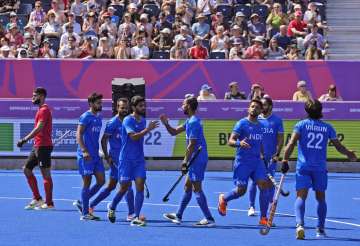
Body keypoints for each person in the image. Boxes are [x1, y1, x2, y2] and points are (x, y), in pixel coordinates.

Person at [281, 99, 357, 239]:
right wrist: (349, 154)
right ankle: (320, 229)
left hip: (303, 167)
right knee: (320, 198)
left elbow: (291, 144)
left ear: (306, 111)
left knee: (301, 196)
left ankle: (300, 225)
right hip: (320, 168)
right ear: (320, 111)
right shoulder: (327, 127)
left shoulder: (301, 125)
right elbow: (339, 147)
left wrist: (285, 160)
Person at [161, 96, 215, 227]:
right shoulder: (189, 121)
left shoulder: (193, 122)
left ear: (189, 106)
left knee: (197, 189)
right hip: (195, 158)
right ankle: (178, 215)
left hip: (197, 158)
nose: (182, 106)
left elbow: (192, 145)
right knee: (187, 186)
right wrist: (166, 124)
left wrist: (185, 161)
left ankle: (209, 218)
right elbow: (174, 132)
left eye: (184, 104)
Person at [218, 100, 273, 225]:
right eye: (252, 106)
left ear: (260, 111)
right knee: (241, 191)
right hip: (243, 162)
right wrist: (239, 143)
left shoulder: (261, 126)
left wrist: (263, 157)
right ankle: (224, 198)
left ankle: (264, 218)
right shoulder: (241, 123)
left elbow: (260, 144)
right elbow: (230, 141)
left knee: (263, 185)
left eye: (257, 107)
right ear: (248, 109)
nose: (254, 108)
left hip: (257, 162)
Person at [107, 96, 159, 226]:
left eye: (144, 105)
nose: (143, 108)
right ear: (134, 107)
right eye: (141, 106)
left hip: (139, 160)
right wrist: (148, 130)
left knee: (140, 187)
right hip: (125, 160)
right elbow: (134, 137)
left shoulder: (143, 120)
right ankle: (112, 206)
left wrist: (146, 129)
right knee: (124, 188)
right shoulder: (127, 120)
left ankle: (135, 216)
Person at [85, 98, 135, 221]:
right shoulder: (113, 122)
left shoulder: (129, 121)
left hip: (126, 159)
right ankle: (131, 214)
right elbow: (103, 140)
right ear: (117, 108)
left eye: (126, 107)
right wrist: (107, 156)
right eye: (122, 107)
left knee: (111, 186)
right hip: (116, 160)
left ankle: (91, 204)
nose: (124, 110)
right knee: (128, 185)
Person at [247, 97, 284, 222]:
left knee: (270, 182)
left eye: (264, 105)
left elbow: (280, 139)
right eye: (260, 105)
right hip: (257, 157)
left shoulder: (277, 120)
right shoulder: (255, 119)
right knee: (254, 181)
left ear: (270, 106)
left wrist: (277, 154)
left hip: (270, 158)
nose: (261, 107)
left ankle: (269, 205)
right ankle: (251, 206)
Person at [17, 87, 54, 210]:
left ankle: (49, 204)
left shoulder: (44, 110)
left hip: (43, 147)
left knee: (45, 174)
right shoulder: (40, 110)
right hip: (37, 146)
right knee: (27, 169)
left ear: (42, 96)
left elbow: (39, 128)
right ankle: (37, 198)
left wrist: (24, 139)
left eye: (35, 96)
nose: (32, 98)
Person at [73, 93, 105, 221]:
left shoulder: (99, 118)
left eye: (101, 103)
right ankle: (85, 213)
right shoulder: (85, 117)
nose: (100, 105)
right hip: (85, 156)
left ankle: (82, 202)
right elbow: (78, 134)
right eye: (98, 103)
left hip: (96, 156)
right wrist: (84, 150)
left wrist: (99, 151)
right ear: (91, 104)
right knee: (87, 182)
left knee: (101, 181)